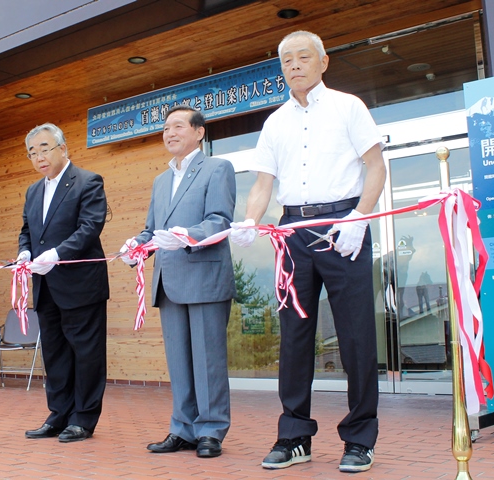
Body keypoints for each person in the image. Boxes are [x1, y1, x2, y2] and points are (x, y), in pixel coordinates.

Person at [230, 31, 386, 473]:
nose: (294, 65)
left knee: (356, 335)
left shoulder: (348, 106)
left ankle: (359, 438)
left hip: (343, 224)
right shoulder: (275, 121)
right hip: (292, 228)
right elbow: (263, 185)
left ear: (323, 61)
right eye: (286, 60)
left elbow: (376, 166)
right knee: (295, 337)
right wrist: (249, 220)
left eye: (303, 57)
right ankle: (294, 436)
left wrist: (360, 216)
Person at [122, 105, 236, 458]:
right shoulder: (160, 180)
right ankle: (182, 429)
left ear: (199, 132)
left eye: (177, 126)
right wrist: (136, 246)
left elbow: (220, 220)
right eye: (165, 128)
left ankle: (211, 431)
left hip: (204, 277)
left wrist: (187, 235)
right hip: (168, 281)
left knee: (207, 360)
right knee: (180, 362)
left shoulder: (218, 168)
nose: (169, 133)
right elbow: (151, 229)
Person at [18, 122, 109, 443]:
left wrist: (55, 254)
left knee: (86, 353)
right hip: (45, 286)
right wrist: (24, 251)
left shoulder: (87, 182)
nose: (38, 157)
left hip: (81, 285)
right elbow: (27, 230)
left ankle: (83, 419)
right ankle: (58, 415)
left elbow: (89, 228)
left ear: (63, 149)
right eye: (32, 153)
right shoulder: (33, 190)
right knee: (55, 353)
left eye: (44, 148)